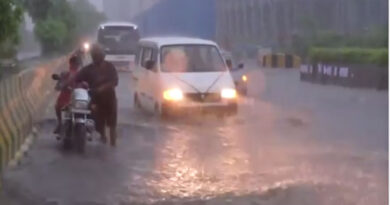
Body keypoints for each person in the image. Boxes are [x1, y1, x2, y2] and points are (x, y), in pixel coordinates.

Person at [76, 44, 118, 147]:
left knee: (112, 124)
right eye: (95, 55)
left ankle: (113, 144)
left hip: (110, 100)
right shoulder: (88, 69)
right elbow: (77, 78)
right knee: (99, 123)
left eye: (99, 55)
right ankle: (103, 138)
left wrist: (102, 88)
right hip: (95, 100)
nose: (97, 57)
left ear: (103, 55)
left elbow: (114, 81)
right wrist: (79, 84)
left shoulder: (110, 67)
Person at [54, 56, 80, 134]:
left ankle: (59, 123)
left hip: (77, 98)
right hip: (66, 97)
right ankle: (59, 123)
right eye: (74, 64)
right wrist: (62, 85)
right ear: (70, 64)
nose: (75, 65)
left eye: (76, 64)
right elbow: (58, 87)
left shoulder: (81, 74)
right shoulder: (65, 74)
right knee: (57, 106)